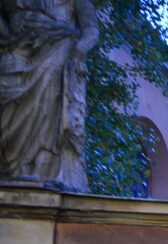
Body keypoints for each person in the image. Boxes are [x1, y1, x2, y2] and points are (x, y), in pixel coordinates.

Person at [0, 0, 98, 190]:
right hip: (14, 47)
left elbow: (91, 29)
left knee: (49, 97)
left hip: (58, 46)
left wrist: (79, 50)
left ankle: (40, 166)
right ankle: (13, 166)